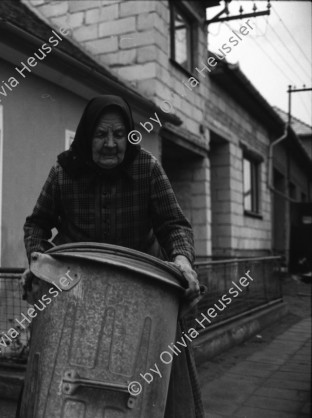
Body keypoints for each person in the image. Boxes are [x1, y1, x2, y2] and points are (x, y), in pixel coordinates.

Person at [21, 95, 204, 418]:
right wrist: (37, 259)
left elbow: (173, 224)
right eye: (100, 135)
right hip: (74, 298)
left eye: (119, 135)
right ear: (86, 135)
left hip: (144, 295)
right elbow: (37, 224)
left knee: (154, 394)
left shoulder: (146, 168)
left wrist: (183, 261)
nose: (110, 144)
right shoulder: (64, 171)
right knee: (62, 388)